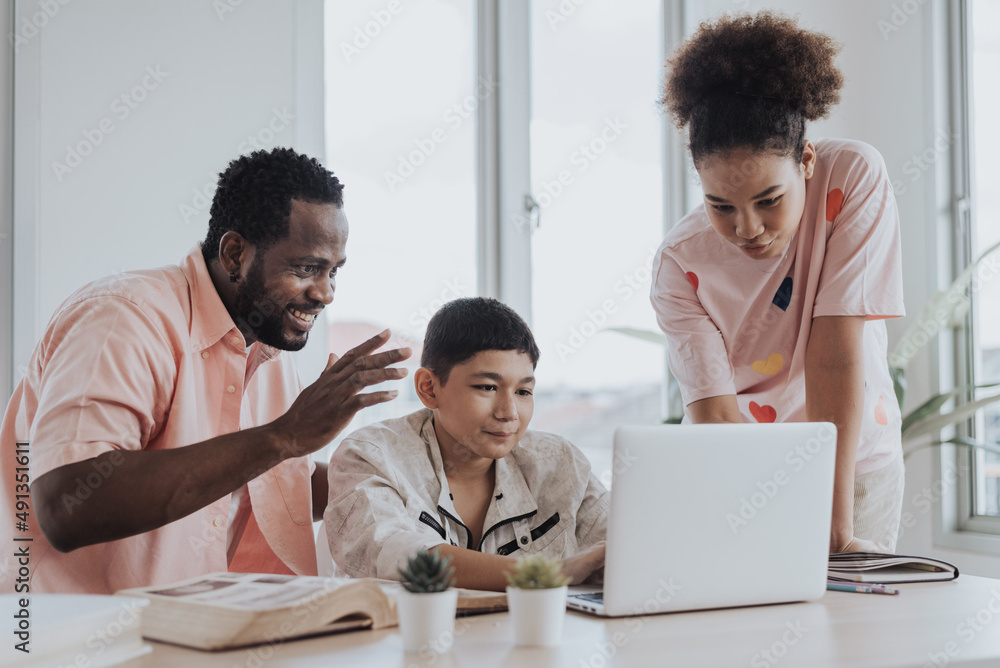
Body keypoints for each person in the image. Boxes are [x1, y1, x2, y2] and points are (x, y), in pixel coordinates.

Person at [0, 147, 411, 594]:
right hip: (77, 631)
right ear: (234, 254)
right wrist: (285, 435)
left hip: (201, 624)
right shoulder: (124, 318)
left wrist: (410, 472)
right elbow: (67, 505)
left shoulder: (267, 348)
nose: (325, 293)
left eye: (334, 272)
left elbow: (274, 482)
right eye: (307, 268)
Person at [650, 12, 905, 552]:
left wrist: (835, 524)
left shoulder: (851, 177)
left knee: (853, 607)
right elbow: (715, 412)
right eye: (721, 205)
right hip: (745, 470)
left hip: (856, 466)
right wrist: (750, 515)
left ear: (806, 160)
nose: (747, 228)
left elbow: (834, 350)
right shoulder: (678, 263)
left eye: (769, 200)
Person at [325, 297, 607, 591]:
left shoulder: (560, 462)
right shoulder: (369, 455)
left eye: (523, 391)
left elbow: (622, 542)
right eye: (487, 387)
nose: (509, 413)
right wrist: (549, 573)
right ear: (429, 388)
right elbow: (397, 555)